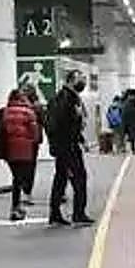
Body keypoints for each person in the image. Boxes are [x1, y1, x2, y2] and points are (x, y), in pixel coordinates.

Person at [47, 70, 94, 226]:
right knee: (79, 178)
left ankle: (55, 214)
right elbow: (64, 125)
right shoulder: (66, 100)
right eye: (80, 79)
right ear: (71, 80)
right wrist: (71, 142)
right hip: (68, 147)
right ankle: (78, 214)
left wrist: (81, 139)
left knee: (60, 178)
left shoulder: (66, 98)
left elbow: (70, 124)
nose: (83, 83)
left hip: (66, 145)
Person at [2, 89, 40, 220]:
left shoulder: (4, 112)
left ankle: (16, 206)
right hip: (25, 150)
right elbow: (35, 133)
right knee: (20, 178)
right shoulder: (29, 112)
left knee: (16, 178)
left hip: (9, 149)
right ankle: (16, 208)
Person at [20, 84, 45, 205]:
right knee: (30, 166)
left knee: (23, 166)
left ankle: (25, 192)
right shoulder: (37, 107)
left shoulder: (19, 106)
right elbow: (44, 122)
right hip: (32, 140)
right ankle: (26, 193)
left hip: (23, 140)